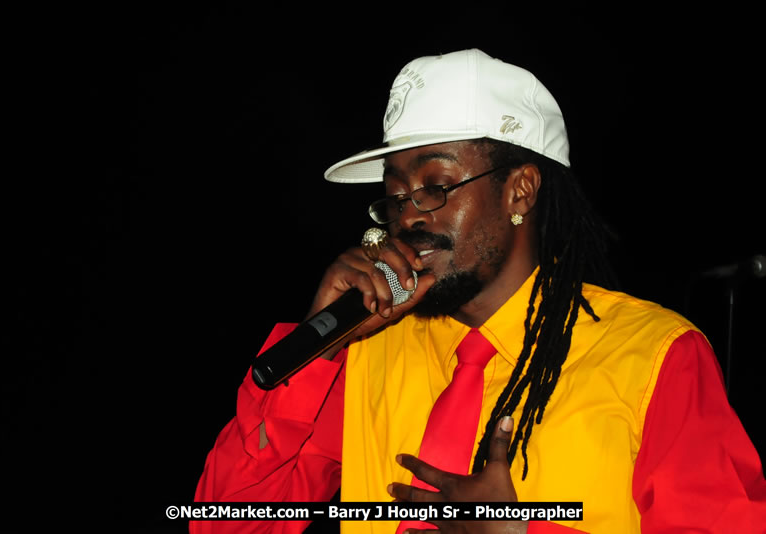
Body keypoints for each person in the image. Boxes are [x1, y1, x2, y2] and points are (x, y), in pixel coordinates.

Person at [191, 49, 765, 533]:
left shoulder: (656, 358)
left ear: (520, 191)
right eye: (396, 194)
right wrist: (317, 353)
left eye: (436, 185)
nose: (409, 215)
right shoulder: (365, 353)